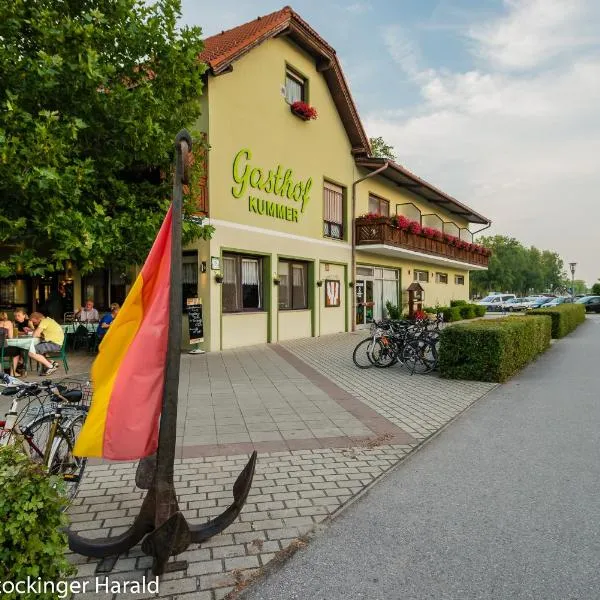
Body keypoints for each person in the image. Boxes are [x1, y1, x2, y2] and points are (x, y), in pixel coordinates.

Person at [0, 312, 22, 376]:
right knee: (17, 351)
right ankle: (12, 373)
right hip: (2, 349)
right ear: (6, 316)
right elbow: (10, 337)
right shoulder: (8, 323)